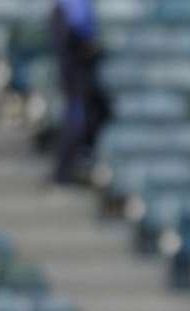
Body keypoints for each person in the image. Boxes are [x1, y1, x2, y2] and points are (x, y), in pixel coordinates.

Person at [50, 0, 111, 184]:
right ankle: (65, 171)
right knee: (77, 116)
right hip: (75, 63)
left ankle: (70, 168)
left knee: (83, 114)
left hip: (74, 62)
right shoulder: (72, 6)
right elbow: (80, 30)